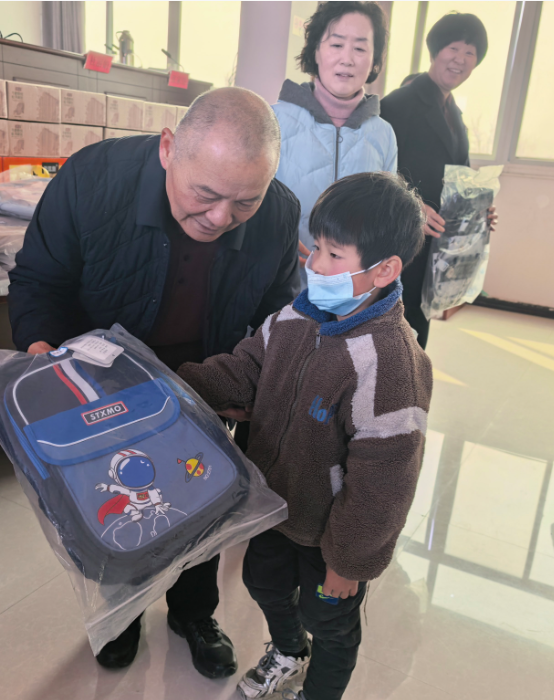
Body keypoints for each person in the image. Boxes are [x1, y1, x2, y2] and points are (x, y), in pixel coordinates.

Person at [7, 87, 301, 677]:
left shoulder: (279, 212)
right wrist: (46, 363)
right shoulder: (93, 180)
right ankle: (123, 612)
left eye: (245, 202)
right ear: (169, 149)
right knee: (115, 502)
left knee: (202, 500)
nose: (220, 218)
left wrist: (254, 381)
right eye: (205, 195)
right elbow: (39, 280)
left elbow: (278, 311)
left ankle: (195, 613)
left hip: (205, 384)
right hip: (99, 385)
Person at [177, 172, 432, 700]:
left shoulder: (390, 363)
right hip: (275, 505)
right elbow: (246, 368)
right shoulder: (294, 317)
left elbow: (384, 484)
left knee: (330, 621)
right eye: (316, 247)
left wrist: (348, 562)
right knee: (263, 584)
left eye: (334, 255)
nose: (314, 264)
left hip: (331, 534)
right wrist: (176, 387)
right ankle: (289, 650)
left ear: (384, 269)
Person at [380, 12, 497, 349]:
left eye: (470, 53)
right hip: (399, 240)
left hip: (434, 246)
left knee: (417, 327)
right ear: (435, 51)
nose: (460, 59)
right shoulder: (398, 104)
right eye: (453, 48)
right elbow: (376, 168)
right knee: (391, 328)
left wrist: (478, 211)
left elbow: (460, 177)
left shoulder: (454, 113)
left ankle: (410, 380)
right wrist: (412, 203)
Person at [273, 1, 397, 282]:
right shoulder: (273, 121)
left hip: (352, 287)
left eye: (360, 48)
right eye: (337, 44)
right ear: (315, 51)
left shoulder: (384, 134)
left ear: (375, 60)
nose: (347, 59)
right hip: (282, 280)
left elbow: (385, 219)